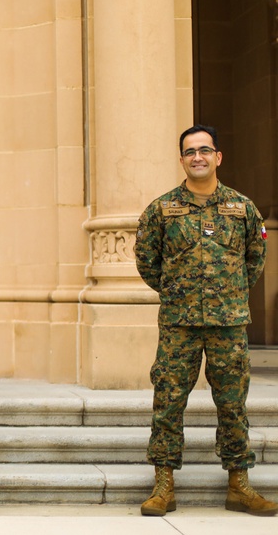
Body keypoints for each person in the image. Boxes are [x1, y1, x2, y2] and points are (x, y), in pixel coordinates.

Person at [135, 124, 277, 518]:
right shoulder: (161, 210)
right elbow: (148, 264)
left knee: (233, 405)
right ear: (181, 159)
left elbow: (254, 261)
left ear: (218, 156)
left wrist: (225, 295)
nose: (197, 156)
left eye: (204, 149)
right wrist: (181, 292)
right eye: (189, 151)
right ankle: (163, 485)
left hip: (228, 323)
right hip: (179, 323)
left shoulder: (242, 208)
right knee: (168, 402)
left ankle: (239, 485)